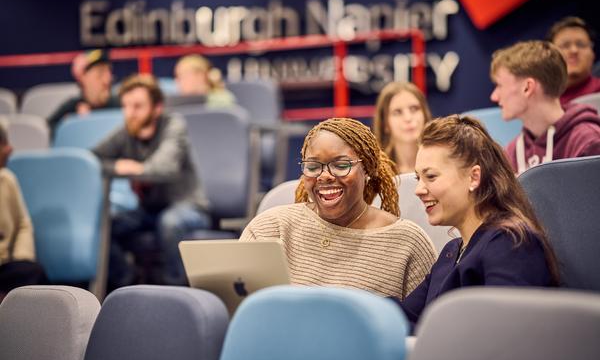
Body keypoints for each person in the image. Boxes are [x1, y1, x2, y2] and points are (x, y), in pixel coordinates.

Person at [393, 115, 559, 331]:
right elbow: (403, 316)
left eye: (431, 176)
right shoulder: (452, 251)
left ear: (474, 177)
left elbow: (506, 339)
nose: (418, 190)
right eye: (418, 178)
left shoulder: (511, 244)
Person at [240, 117, 437, 299]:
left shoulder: (408, 242)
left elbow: (424, 328)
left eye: (341, 165)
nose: (324, 176)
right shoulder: (270, 228)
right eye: (313, 166)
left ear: (367, 169)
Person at [92, 74, 212, 288]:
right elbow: (91, 160)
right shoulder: (127, 131)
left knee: (170, 223)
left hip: (189, 207)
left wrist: (136, 169)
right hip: (149, 211)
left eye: (137, 106)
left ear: (157, 108)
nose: (129, 113)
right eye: (125, 106)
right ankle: (126, 281)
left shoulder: (174, 125)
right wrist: (117, 167)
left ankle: (176, 291)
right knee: (104, 224)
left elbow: (165, 168)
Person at [489, 40, 600, 174]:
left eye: (499, 85)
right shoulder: (512, 153)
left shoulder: (589, 142)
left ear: (527, 87)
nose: (494, 96)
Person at [0, 124, 48, 302]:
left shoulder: (7, 179)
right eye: (3, 144)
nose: (9, 150)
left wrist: (22, 258)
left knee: (32, 272)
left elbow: (22, 224)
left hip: (4, 266)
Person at [48, 49, 120, 133]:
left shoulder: (120, 106)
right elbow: (47, 130)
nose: (107, 80)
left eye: (109, 73)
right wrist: (72, 125)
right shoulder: (72, 108)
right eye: (100, 74)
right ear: (83, 78)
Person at [373, 82, 433, 174]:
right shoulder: (376, 173)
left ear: (425, 114)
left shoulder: (443, 164)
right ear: (385, 124)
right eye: (397, 112)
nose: (408, 118)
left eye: (414, 109)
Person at [546, 16, 600, 106]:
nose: (574, 50)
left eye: (581, 45)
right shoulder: (541, 104)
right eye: (565, 45)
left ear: (592, 54)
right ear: (549, 57)